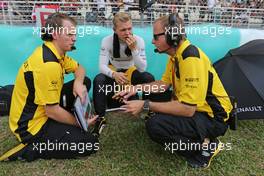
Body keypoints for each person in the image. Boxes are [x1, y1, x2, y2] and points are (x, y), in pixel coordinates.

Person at [113, 13, 233, 168]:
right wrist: (135, 88)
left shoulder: (191, 59)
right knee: (156, 113)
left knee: (155, 126)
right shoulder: (177, 56)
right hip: (199, 110)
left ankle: (206, 146)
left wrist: (144, 104)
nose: (152, 41)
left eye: (156, 37)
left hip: (214, 118)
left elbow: (188, 109)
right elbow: (163, 84)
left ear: (172, 36)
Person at [4, 13, 99, 161]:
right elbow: (52, 111)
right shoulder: (49, 65)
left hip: (45, 109)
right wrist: (81, 123)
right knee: (89, 144)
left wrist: (78, 83)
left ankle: (69, 123)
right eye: (69, 34)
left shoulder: (55, 52)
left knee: (84, 81)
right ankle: (32, 148)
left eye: (74, 33)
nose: (74, 38)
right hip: (30, 127)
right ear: (55, 34)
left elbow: (79, 68)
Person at [92, 12, 155, 136]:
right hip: (114, 71)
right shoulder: (107, 41)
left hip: (131, 72)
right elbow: (102, 66)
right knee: (99, 79)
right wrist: (113, 74)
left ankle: (150, 113)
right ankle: (100, 118)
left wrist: (134, 50)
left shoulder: (139, 41)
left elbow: (142, 68)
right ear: (114, 30)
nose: (127, 33)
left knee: (149, 78)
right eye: (123, 30)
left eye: (130, 28)